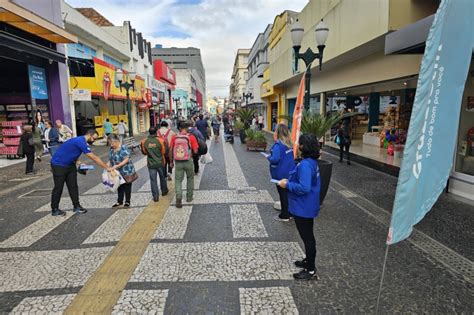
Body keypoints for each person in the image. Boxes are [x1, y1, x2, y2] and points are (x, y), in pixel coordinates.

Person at [278, 133, 321, 280]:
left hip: (303, 207)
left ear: (303, 146)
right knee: (308, 236)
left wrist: (286, 184)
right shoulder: (311, 162)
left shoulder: (305, 165)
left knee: (307, 238)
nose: (298, 145)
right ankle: (308, 261)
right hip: (307, 205)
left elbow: (304, 187)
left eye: (300, 143)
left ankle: (310, 270)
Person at [50, 129, 110, 216]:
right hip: (58, 165)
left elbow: (70, 152)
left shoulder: (81, 141)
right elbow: (94, 158)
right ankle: (54, 209)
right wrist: (107, 167)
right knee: (58, 188)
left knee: (73, 186)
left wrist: (79, 162)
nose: (94, 140)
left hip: (70, 164)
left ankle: (76, 206)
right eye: (94, 138)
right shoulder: (80, 141)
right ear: (90, 135)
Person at [267, 124, 296, 222]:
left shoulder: (278, 146)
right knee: (288, 194)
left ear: (278, 133)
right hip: (290, 172)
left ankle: (285, 215)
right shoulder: (289, 144)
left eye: (275, 131)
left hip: (280, 174)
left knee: (282, 194)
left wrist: (268, 157)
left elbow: (274, 159)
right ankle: (290, 213)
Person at [170, 120, 199, 208]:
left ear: (179, 128)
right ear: (187, 128)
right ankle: (189, 197)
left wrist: (171, 162)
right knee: (190, 178)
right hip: (188, 161)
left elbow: (170, 150)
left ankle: (179, 197)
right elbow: (195, 150)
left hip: (178, 162)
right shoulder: (191, 137)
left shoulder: (174, 137)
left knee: (178, 180)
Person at [141, 127, 168, 202]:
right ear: (156, 132)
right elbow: (164, 151)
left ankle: (155, 196)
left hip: (151, 163)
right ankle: (164, 191)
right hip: (160, 162)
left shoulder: (144, 141)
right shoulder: (161, 140)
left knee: (153, 180)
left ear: (149, 132)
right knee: (162, 177)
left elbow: (144, 152)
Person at [109, 134, 137, 208]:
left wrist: (118, 165)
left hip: (126, 170)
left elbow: (126, 159)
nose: (111, 145)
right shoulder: (111, 149)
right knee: (119, 186)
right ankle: (119, 201)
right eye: (110, 143)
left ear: (117, 141)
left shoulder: (123, 148)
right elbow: (110, 159)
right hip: (117, 172)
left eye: (112, 143)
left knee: (127, 186)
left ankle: (127, 201)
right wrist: (107, 166)